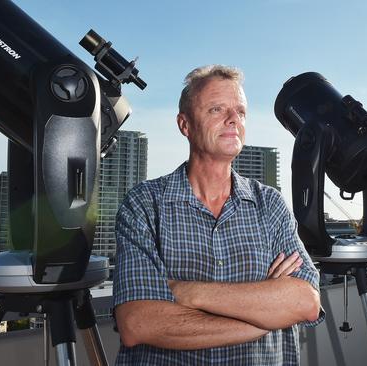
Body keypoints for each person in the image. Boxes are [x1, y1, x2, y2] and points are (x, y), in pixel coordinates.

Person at [112, 65, 324, 365]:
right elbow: (138, 324)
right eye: (216, 109)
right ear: (184, 124)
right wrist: (267, 313)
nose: (233, 119)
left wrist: (188, 292)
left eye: (240, 111)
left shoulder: (270, 204)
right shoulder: (145, 205)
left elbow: (305, 303)